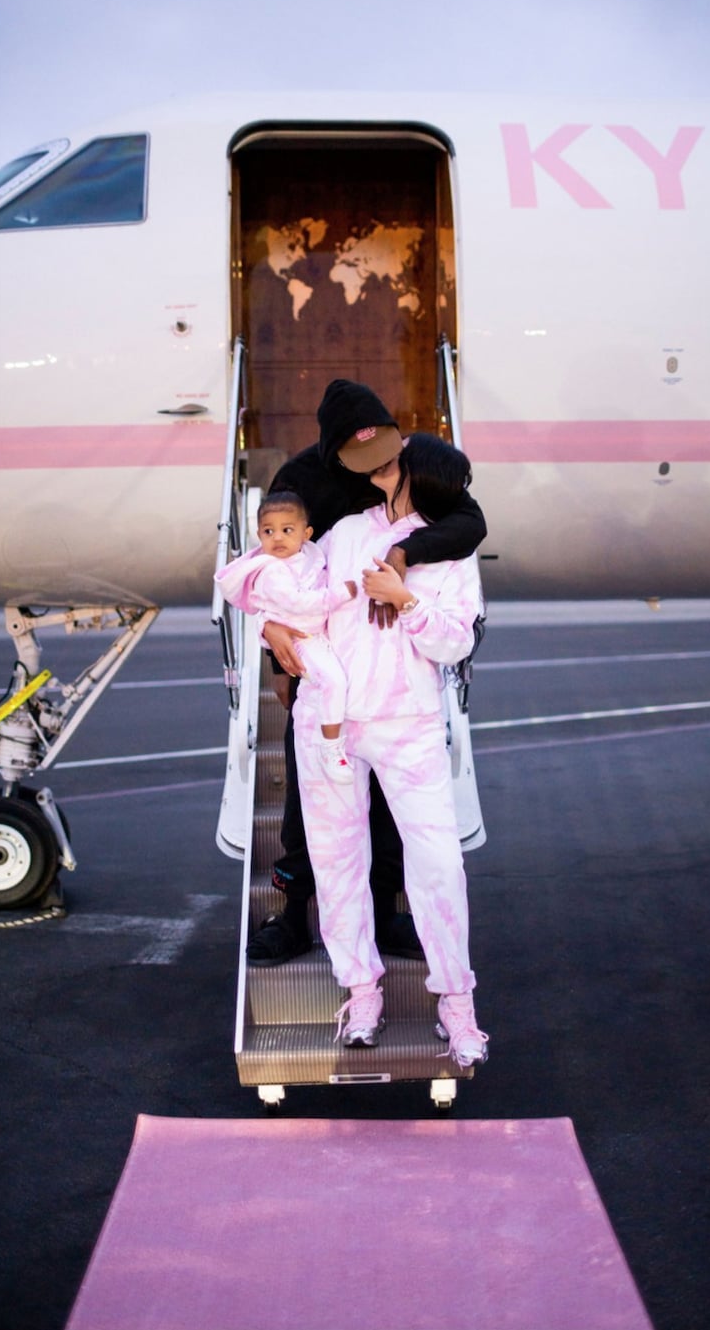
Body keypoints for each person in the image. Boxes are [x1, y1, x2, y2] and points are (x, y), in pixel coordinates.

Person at [248, 377, 487, 967]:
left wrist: (407, 552)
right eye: (364, 460)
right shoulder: (300, 483)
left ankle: (383, 916)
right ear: (332, 449)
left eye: (385, 453)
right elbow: (270, 565)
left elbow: (470, 520)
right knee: (311, 811)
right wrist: (269, 643)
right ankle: (295, 915)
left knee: (384, 807)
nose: (379, 469)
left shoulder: (410, 463)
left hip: (389, 676)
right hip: (323, 664)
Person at [293, 432, 489, 1068]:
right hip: (331, 722)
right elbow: (293, 595)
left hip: (409, 721)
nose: (384, 467)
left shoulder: (450, 550)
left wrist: (405, 600)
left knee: (437, 863)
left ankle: (457, 1003)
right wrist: (273, 627)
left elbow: (455, 643)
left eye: (397, 463)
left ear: (417, 474)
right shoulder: (345, 532)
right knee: (336, 859)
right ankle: (361, 989)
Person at [214, 491, 357, 783]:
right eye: (269, 531)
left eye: (286, 530)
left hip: (319, 633)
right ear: (259, 535)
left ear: (306, 534)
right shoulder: (271, 571)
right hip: (299, 639)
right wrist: (341, 594)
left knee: (340, 682)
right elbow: (299, 603)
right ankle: (332, 748)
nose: (277, 538)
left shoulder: (308, 556)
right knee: (333, 681)